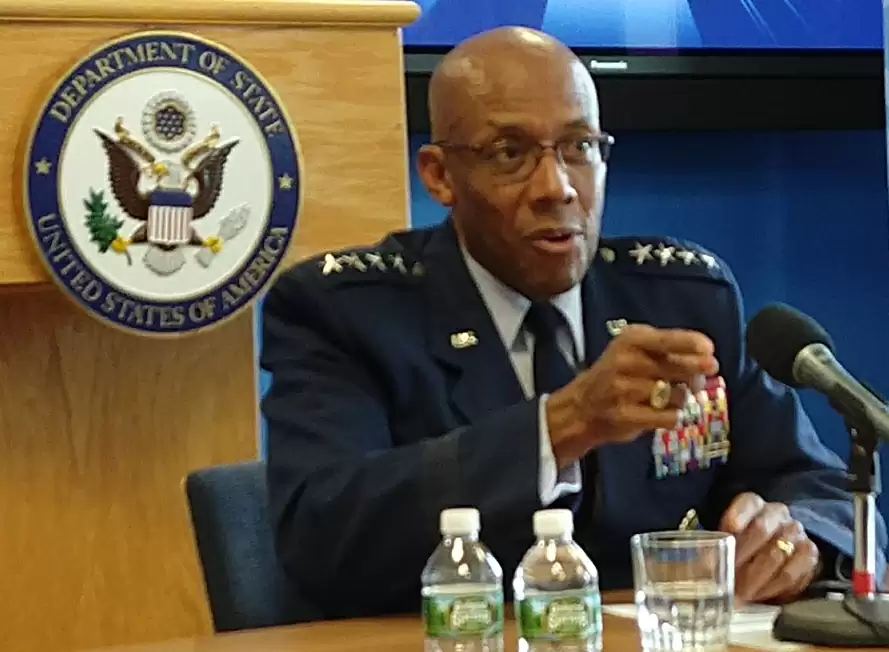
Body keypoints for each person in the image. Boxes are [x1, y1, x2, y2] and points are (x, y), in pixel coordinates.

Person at [261, 26, 887, 619]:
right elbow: (320, 533)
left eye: (579, 147)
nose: (557, 187)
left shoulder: (682, 299)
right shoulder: (348, 310)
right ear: (439, 175)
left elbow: (818, 485)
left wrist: (796, 540)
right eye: (510, 153)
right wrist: (563, 424)